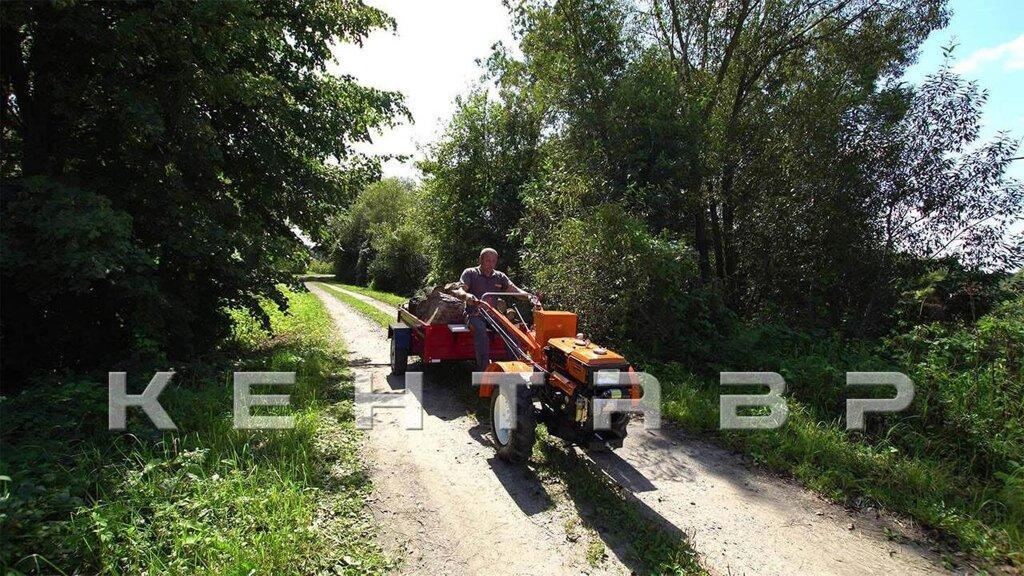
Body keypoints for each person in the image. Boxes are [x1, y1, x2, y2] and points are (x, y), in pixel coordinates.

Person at [451, 248, 536, 371]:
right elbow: (460, 289)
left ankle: (519, 367)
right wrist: (467, 296)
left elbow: (515, 290)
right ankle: (485, 371)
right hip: (474, 313)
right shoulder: (470, 273)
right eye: (487, 260)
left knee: (511, 331)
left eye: (493, 261)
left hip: (493, 314)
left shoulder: (499, 276)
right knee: (481, 333)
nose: (490, 264)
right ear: (480, 260)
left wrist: (530, 297)